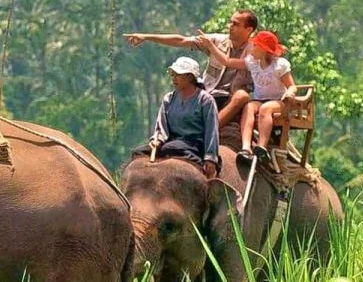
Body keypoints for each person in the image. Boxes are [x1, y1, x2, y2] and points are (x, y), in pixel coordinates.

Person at [123, 9, 258, 147]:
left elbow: (234, 63)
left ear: (248, 29)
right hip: (208, 93)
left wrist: (211, 47)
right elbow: (182, 40)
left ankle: (207, 131)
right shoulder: (217, 40)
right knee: (174, 95)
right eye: (230, 22)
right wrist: (146, 37)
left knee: (242, 96)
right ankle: (160, 136)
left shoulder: (255, 51)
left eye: (235, 24)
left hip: (230, 98)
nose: (230, 26)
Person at [199, 30, 296, 170]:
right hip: (259, 99)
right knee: (249, 107)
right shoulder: (252, 63)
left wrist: (290, 93)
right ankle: (246, 147)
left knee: (265, 109)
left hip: (278, 101)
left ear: (263, 49)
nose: (252, 48)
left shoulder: (279, 65)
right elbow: (227, 61)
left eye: (255, 45)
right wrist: (210, 46)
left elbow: (291, 86)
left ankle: (261, 146)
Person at [133, 57, 220, 179]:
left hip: (194, 144)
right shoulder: (168, 99)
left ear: (190, 77)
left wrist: (210, 157)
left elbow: (212, 130)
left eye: (178, 75)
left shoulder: (205, 100)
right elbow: (161, 126)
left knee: (171, 148)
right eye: (172, 75)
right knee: (138, 153)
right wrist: (157, 140)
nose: (174, 78)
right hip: (171, 142)